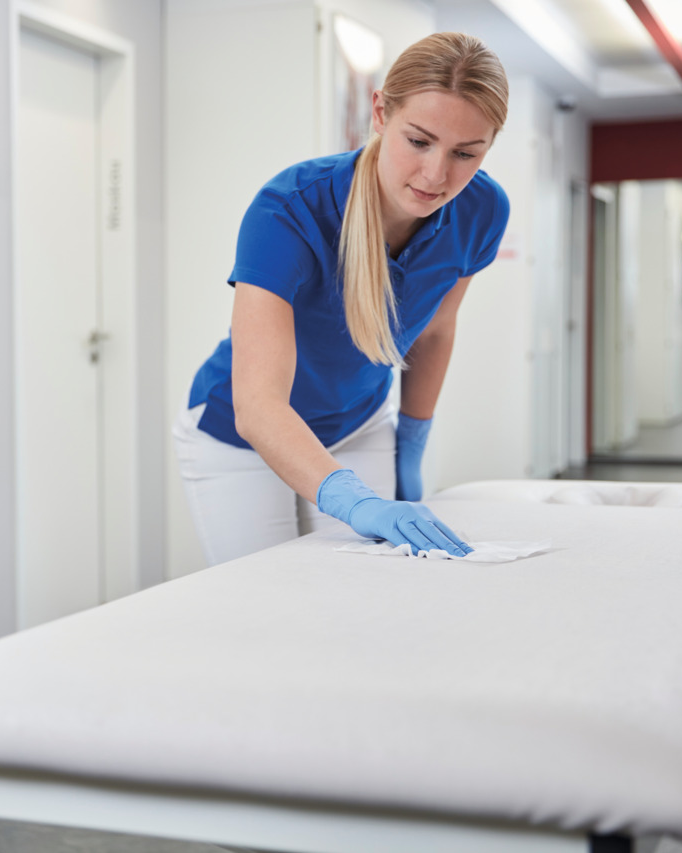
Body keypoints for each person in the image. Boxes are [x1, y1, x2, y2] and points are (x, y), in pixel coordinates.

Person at [175, 32, 510, 567]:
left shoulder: (483, 210)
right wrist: (355, 503)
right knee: (272, 599)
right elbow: (259, 408)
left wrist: (413, 442)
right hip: (240, 440)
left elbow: (436, 331)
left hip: (359, 425)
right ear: (380, 111)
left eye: (466, 153)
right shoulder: (288, 208)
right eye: (419, 141)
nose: (435, 175)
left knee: (367, 597)